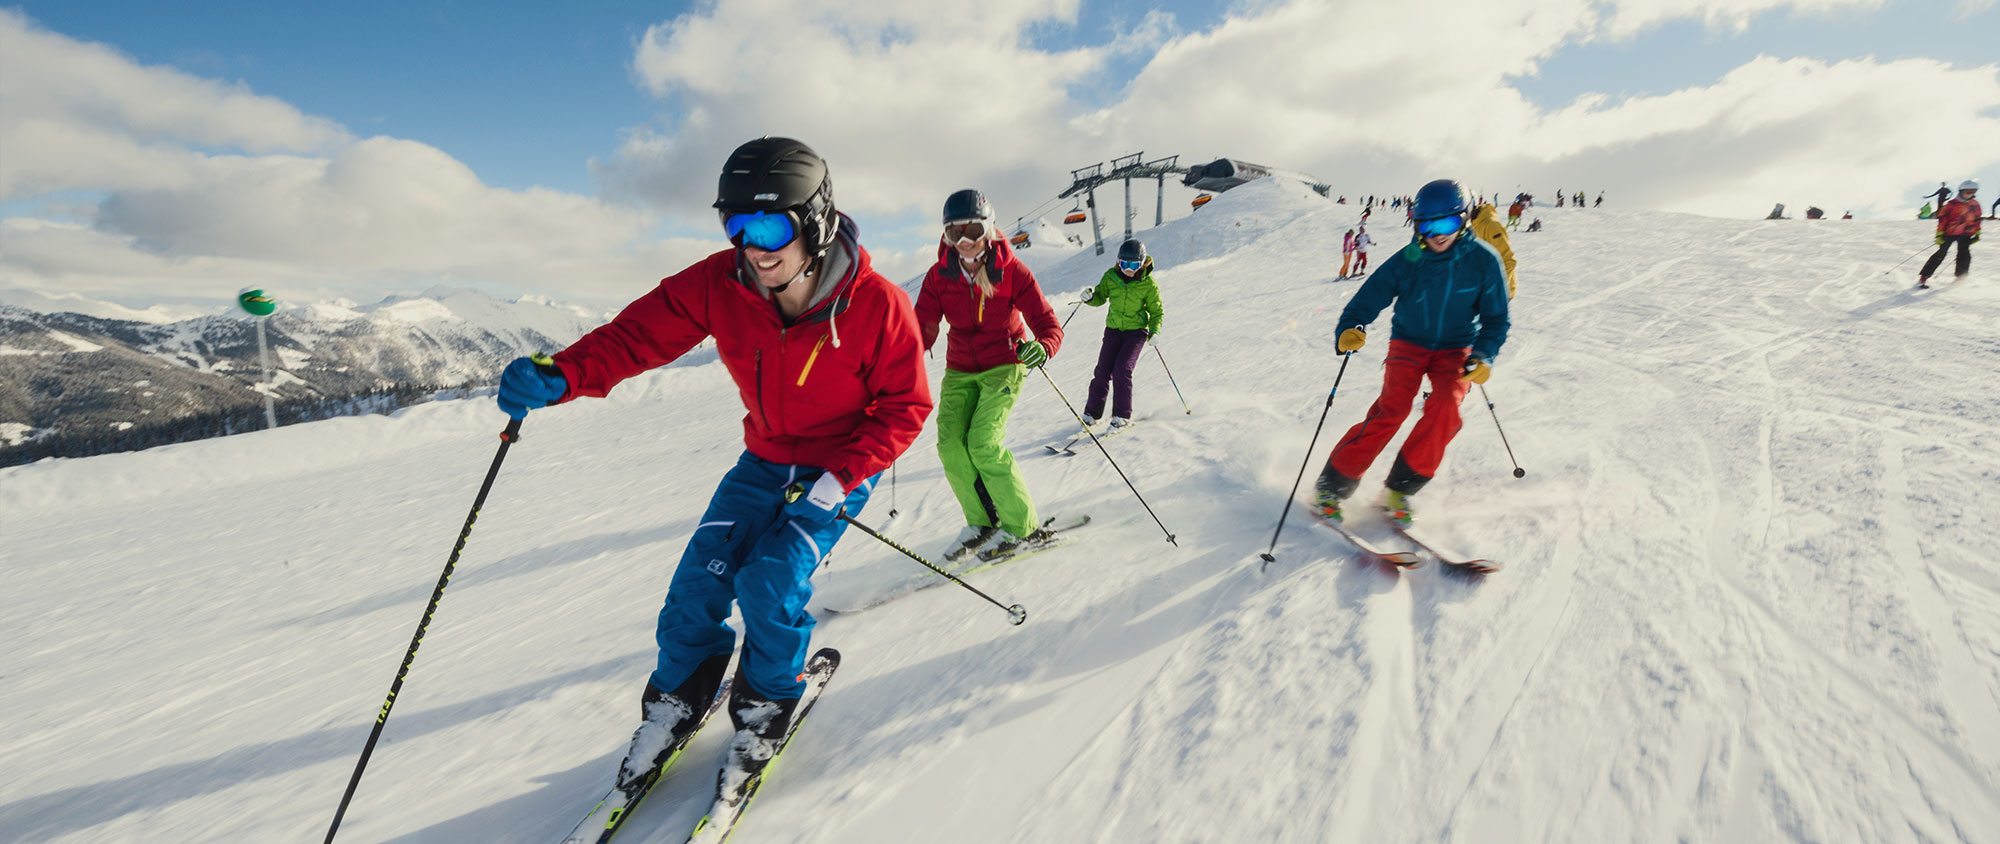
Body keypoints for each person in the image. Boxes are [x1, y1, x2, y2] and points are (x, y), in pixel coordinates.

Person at [495, 137, 932, 788]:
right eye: (736, 224)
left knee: (769, 584)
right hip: (762, 462)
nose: (753, 246)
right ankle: (678, 699)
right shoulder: (719, 283)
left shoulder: (877, 305)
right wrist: (562, 375)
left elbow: (905, 405)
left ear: (815, 221)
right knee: (696, 587)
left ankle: (764, 705)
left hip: (835, 470)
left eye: (770, 226)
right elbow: (635, 338)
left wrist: (842, 478)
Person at [1313, 179, 1509, 526]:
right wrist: (1350, 328)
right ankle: (1332, 486)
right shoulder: (1408, 260)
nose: (1437, 235)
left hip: (1457, 347)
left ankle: (1400, 490)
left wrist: (1484, 355)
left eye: (1447, 223)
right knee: (1393, 409)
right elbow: (1367, 298)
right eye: (1427, 226)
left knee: (1446, 407)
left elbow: (1496, 319)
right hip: (1409, 342)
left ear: (1465, 219)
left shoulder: (1484, 261)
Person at [914, 189, 1064, 561]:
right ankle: (983, 522)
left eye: (974, 230)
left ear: (989, 228)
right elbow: (922, 326)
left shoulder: (1012, 272)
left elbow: (1047, 323)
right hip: (960, 369)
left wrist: (1043, 346)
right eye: (955, 232)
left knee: (983, 443)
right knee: (951, 446)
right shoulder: (939, 276)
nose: (965, 241)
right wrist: (900, 355)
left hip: (1004, 365)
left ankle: (1023, 527)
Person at [1079, 239, 1165, 430]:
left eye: (1133, 265)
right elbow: (1100, 297)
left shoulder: (1148, 284)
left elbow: (1156, 311)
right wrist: (1090, 298)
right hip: (1113, 331)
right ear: (1118, 261)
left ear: (1142, 263)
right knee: (1102, 371)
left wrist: (1155, 331)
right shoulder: (1111, 277)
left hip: (1136, 333)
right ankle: (1092, 413)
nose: (1128, 269)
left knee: (1122, 369)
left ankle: (1122, 415)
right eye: (1125, 264)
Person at [1918, 179, 1982, 288]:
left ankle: (1960, 278)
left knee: (1964, 254)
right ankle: (1924, 277)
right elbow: (1942, 220)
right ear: (1961, 191)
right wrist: (1939, 234)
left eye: (1973, 192)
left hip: (1966, 233)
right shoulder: (1951, 204)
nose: (1970, 194)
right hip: (1949, 232)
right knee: (1941, 253)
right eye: (1968, 192)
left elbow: (1977, 219)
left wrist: (1977, 232)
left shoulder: (1975, 204)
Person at [1469, 201, 1518, 298]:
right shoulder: (1471, 226)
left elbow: (1507, 260)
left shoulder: (1491, 225)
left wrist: (1495, 291)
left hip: (1499, 294)